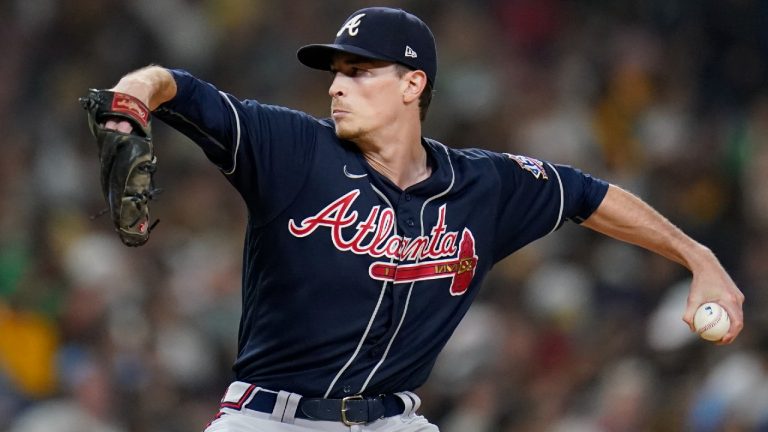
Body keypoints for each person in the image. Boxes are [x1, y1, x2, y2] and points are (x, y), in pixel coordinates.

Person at [94, 7, 744, 432]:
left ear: (412, 85)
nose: (335, 86)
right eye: (335, 73)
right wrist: (130, 103)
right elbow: (177, 86)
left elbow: (589, 196)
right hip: (272, 420)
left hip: (394, 421)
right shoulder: (289, 147)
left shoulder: (482, 186)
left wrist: (700, 259)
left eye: (358, 71)